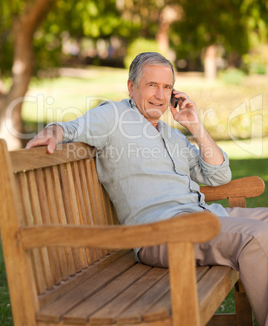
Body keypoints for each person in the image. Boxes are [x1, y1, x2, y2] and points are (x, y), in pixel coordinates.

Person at [26, 52, 268, 326]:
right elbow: (73, 128)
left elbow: (219, 175)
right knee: (257, 237)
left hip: (202, 217)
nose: (160, 95)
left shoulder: (172, 134)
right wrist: (54, 131)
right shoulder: (114, 116)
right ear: (132, 87)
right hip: (163, 233)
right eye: (152, 85)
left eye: (166, 87)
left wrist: (196, 126)